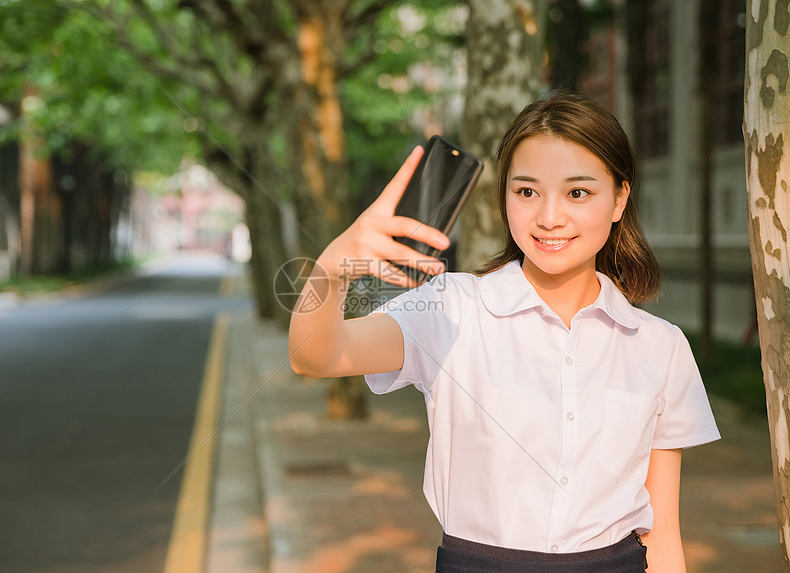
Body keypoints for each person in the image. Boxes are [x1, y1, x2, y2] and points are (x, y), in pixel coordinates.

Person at [288, 92, 720, 573]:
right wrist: (331, 270)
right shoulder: (451, 308)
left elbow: (662, 538)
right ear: (505, 197)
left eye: (578, 193)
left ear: (619, 198)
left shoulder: (660, 346)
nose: (549, 217)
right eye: (527, 191)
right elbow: (316, 356)